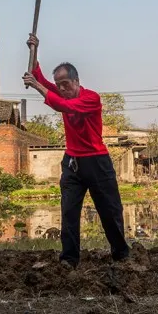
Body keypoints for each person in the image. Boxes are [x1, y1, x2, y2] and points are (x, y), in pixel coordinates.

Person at [22, 34, 130, 269]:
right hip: (72, 162)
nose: (62, 89)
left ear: (77, 81)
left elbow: (58, 102)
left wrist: (37, 85)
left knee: (110, 211)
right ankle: (69, 259)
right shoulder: (61, 93)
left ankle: (121, 254)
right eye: (59, 85)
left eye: (66, 85)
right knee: (69, 211)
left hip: (97, 162)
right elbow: (37, 75)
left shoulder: (91, 98)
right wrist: (34, 50)